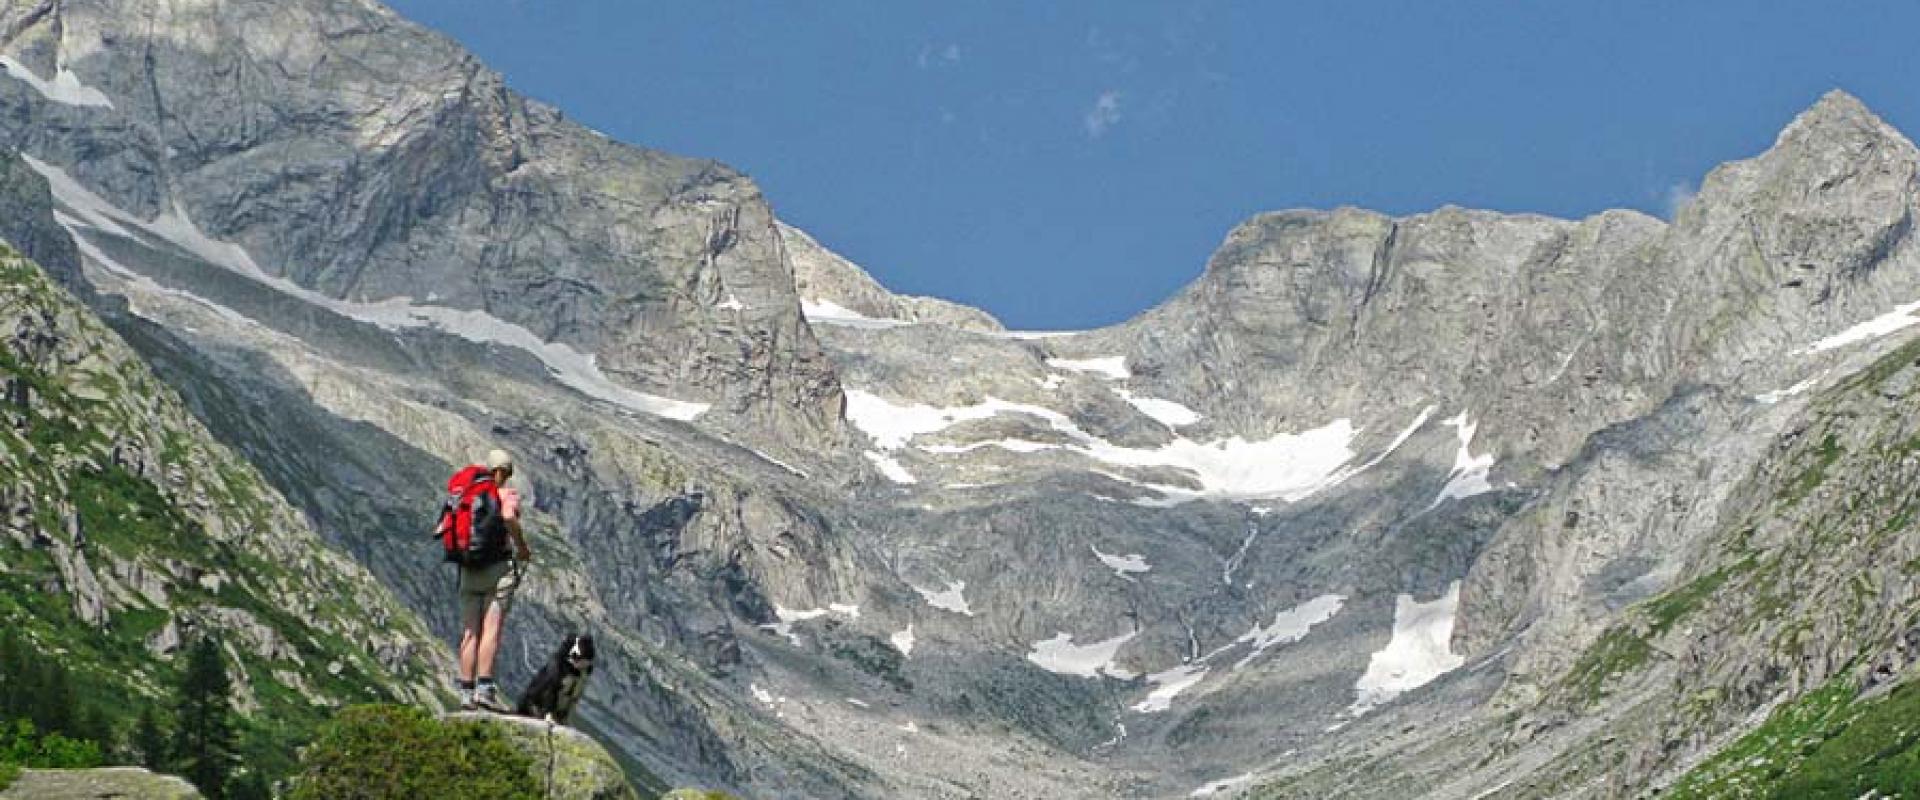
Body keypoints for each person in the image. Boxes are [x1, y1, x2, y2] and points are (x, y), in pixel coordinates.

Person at [456, 448, 533, 711]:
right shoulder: (505, 495)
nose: (508, 479)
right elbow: (509, 517)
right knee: (490, 631)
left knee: (469, 632)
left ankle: (465, 692)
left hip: (468, 570)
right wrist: (522, 546)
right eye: (507, 474)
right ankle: (484, 689)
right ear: (501, 472)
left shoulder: (467, 496)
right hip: (497, 571)